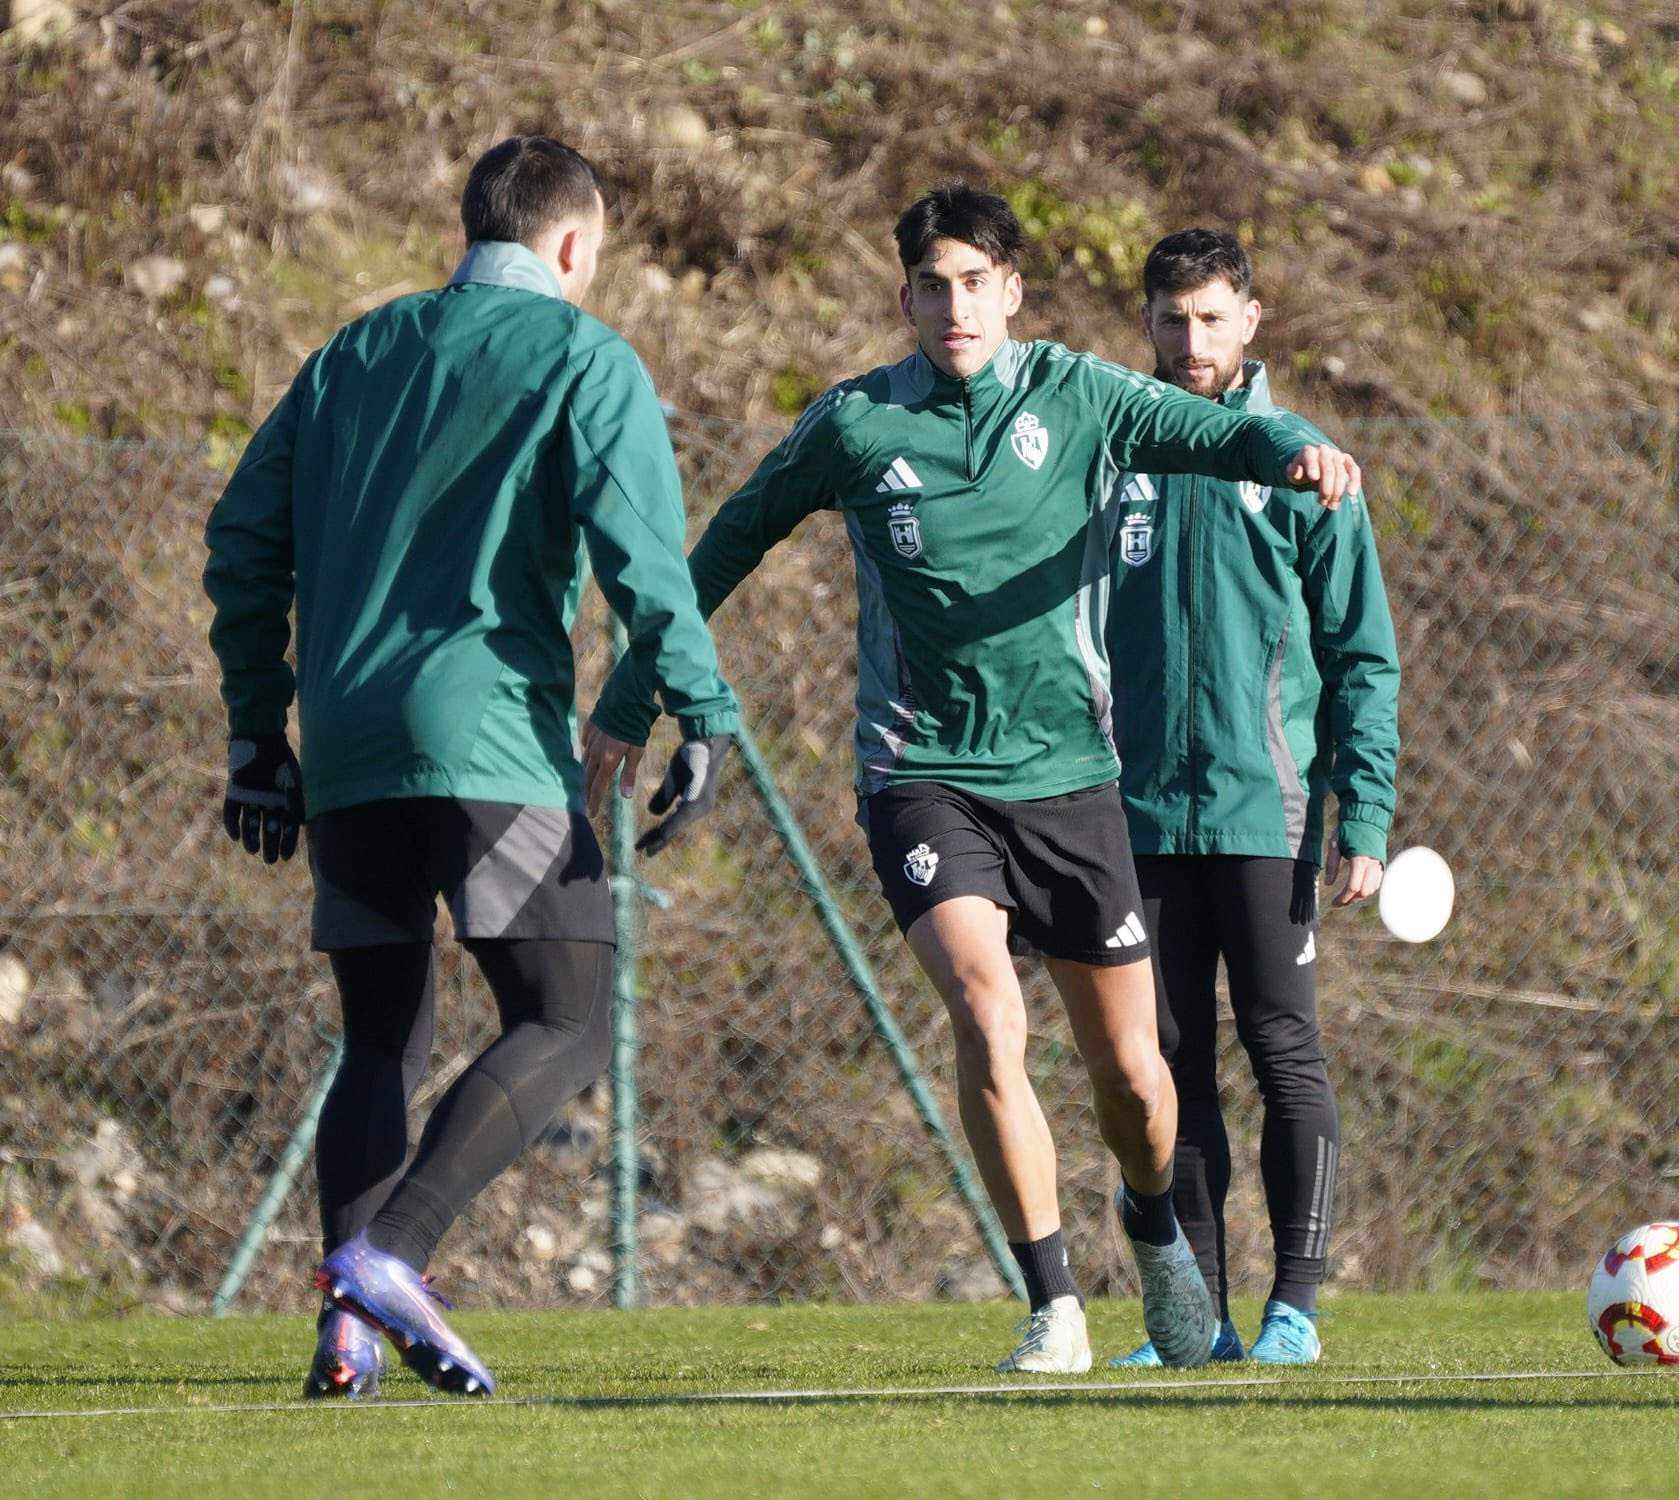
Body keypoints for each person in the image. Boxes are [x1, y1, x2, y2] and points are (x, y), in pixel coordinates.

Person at [637, 183, 1365, 1373]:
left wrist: (1298, 449)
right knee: (986, 1008)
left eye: (975, 282)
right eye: (932, 285)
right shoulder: (857, 423)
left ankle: (1148, 1223)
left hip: (1077, 783)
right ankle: (1053, 1303)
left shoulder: (1079, 396)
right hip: (921, 773)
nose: (953, 304)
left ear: (1011, 291)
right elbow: (724, 541)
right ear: (907, 298)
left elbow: (1227, 430)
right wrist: (634, 693)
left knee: (1137, 1078)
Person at [203, 136, 737, 1399]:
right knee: (563, 1017)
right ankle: (389, 1258)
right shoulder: (581, 356)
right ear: (570, 246)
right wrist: (701, 710)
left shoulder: (350, 354)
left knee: (381, 1037)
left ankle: (342, 1325)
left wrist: (253, 728)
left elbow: (239, 542)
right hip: (488, 740)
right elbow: (642, 560)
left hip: (343, 747)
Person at [1102, 228, 1400, 1368]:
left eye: (1212, 318)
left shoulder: (1308, 467)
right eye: (1171, 320)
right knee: (1163, 1071)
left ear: (1251, 321)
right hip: (1132, 820)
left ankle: (1295, 1310)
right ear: (1146, 323)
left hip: (1264, 818)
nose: (1190, 343)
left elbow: (1361, 657)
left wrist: (1360, 815)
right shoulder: (1113, 456)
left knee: (1282, 1051)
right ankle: (1200, 1325)